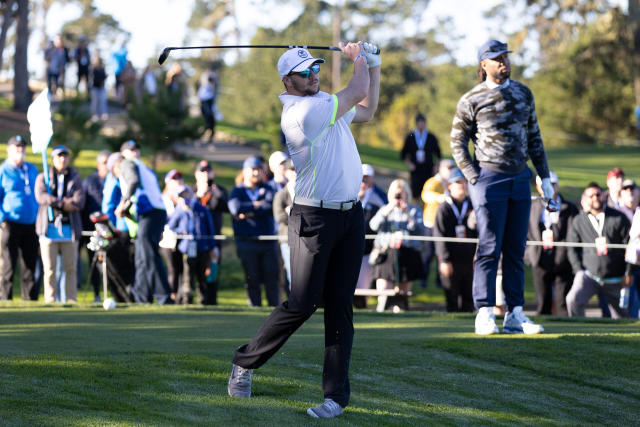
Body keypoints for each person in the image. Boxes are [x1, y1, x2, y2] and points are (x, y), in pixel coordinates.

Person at [227, 43, 381, 420]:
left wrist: (374, 64)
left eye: (315, 69)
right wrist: (360, 56)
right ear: (287, 81)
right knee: (303, 301)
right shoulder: (301, 113)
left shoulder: (324, 102)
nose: (313, 76)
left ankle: (335, 398)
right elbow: (357, 90)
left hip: (349, 216)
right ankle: (244, 363)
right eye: (305, 73)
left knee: (341, 307)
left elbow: (368, 109)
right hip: (314, 218)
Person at [450, 39, 551, 335]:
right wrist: (473, 176)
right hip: (488, 179)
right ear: (484, 64)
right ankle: (484, 311)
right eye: (497, 58)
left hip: (520, 177)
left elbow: (535, 138)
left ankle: (515, 314)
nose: (503, 62)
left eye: (505, 57)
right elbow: (457, 142)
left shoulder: (523, 93)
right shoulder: (472, 99)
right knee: (489, 247)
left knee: (516, 248)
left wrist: (544, 177)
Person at [114, 140, 173, 305]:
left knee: (148, 255)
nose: (135, 152)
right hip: (154, 213)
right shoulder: (145, 168)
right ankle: (141, 298)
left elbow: (132, 182)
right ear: (123, 151)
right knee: (141, 256)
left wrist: (122, 203)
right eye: (131, 149)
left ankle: (164, 297)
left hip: (151, 213)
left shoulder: (127, 163)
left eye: (136, 149)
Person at [566, 183, 632, 318]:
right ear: (585, 199)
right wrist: (579, 271)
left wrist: (628, 272)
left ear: (603, 195)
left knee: (624, 316)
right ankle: (580, 334)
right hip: (590, 276)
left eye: (598, 194)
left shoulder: (618, 217)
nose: (595, 198)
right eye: (591, 195)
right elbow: (571, 248)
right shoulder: (579, 220)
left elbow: (630, 246)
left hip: (616, 279)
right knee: (573, 300)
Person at [35, 145, 85, 303]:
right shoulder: (44, 177)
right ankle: (50, 299)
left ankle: (71, 299)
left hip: (69, 229)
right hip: (48, 229)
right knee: (50, 269)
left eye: (65, 156)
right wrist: (63, 203)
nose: (62, 159)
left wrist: (57, 203)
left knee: (70, 268)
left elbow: (78, 202)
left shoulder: (75, 178)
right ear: (53, 159)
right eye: (59, 156)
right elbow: (41, 197)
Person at [524, 172, 578, 315]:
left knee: (562, 302)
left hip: (563, 261)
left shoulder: (570, 208)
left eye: (552, 185)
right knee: (543, 301)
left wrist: (567, 255)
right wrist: (529, 255)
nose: (550, 188)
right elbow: (526, 233)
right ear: (538, 187)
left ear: (557, 186)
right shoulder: (532, 207)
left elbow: (574, 234)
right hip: (540, 259)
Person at [228, 156, 280, 307]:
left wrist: (248, 210)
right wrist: (257, 205)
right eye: (253, 170)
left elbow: (269, 206)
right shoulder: (237, 191)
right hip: (246, 242)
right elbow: (235, 208)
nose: (256, 173)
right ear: (245, 171)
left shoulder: (268, 188)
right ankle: (254, 309)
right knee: (252, 279)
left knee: (272, 278)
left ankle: (274, 310)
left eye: (259, 170)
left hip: (268, 242)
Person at [369, 179, 425, 312]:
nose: (399, 197)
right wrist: (387, 210)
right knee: (383, 289)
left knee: (402, 293)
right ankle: (381, 313)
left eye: (402, 194)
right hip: (386, 253)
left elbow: (421, 230)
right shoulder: (385, 209)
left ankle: (400, 316)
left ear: (407, 194)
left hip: (407, 253)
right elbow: (373, 226)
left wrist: (408, 215)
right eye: (396, 194)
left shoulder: (413, 210)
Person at [0, 136, 40, 301]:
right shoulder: (3, 170)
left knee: (30, 265)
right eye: (16, 148)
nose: (20, 151)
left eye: (22, 148)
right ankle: (5, 299)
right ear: (9, 150)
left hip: (31, 222)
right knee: (8, 264)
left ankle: (29, 300)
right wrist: (2, 219)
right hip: (10, 222)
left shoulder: (31, 169)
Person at [434, 168, 477, 312]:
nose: (462, 185)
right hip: (451, 259)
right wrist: (444, 260)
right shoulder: (444, 208)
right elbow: (439, 235)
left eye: (464, 182)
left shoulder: (472, 205)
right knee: (451, 297)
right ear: (449, 186)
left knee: (468, 297)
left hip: (469, 258)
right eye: (458, 182)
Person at [168, 185, 216, 304]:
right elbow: (171, 226)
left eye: (186, 195)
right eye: (182, 196)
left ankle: (203, 301)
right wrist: (181, 232)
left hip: (203, 248)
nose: (185, 198)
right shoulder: (179, 210)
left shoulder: (201, 209)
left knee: (202, 276)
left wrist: (212, 247)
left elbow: (210, 229)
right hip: (187, 249)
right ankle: (186, 301)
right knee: (187, 277)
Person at [100, 152, 134, 302]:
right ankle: (123, 297)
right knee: (120, 268)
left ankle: (127, 296)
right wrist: (112, 229)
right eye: (118, 165)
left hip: (128, 229)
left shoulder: (121, 179)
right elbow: (108, 208)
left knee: (128, 266)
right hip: (119, 230)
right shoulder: (114, 181)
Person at [194, 160, 228, 304]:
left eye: (208, 171)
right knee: (198, 271)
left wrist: (215, 192)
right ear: (197, 174)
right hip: (197, 239)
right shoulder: (192, 191)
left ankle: (212, 301)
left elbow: (226, 207)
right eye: (202, 171)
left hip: (214, 240)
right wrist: (198, 195)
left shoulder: (219, 190)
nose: (206, 174)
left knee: (213, 270)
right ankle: (200, 299)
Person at [354, 164, 387, 308]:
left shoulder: (379, 197)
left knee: (362, 286)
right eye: (361, 178)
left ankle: (361, 310)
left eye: (366, 179)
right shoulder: (347, 193)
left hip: (368, 249)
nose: (363, 182)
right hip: (348, 247)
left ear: (372, 179)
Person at [419, 158, 454, 289]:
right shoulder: (433, 181)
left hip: (445, 223)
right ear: (441, 169)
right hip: (431, 223)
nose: (450, 171)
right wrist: (440, 198)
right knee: (428, 253)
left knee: (442, 253)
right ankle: (423, 279)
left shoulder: (450, 183)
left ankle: (440, 280)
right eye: (448, 168)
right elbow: (426, 195)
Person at [81, 150, 110, 302]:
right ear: (99, 164)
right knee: (95, 261)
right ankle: (97, 293)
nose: (108, 166)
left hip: (111, 229)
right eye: (105, 162)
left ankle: (117, 294)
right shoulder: (89, 182)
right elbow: (84, 207)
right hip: (92, 230)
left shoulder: (115, 180)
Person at [401, 112, 441, 204]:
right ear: (416, 123)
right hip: (416, 170)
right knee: (415, 194)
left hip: (428, 170)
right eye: (419, 122)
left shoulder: (431, 137)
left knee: (428, 192)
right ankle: (415, 210)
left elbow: (438, 154)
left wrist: (436, 167)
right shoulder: (410, 137)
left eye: (423, 122)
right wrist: (410, 164)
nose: (421, 124)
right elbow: (403, 154)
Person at [159, 169, 184, 301]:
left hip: (181, 238)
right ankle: (170, 295)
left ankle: (180, 297)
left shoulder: (184, 198)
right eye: (175, 179)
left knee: (181, 269)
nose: (178, 181)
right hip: (167, 239)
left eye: (179, 178)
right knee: (172, 269)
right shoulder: (162, 199)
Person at [273, 160, 297, 291]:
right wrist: (297, 216)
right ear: (286, 172)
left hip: (304, 238)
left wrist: (291, 212)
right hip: (287, 239)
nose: (295, 173)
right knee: (292, 273)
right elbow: (279, 216)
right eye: (292, 170)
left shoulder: (307, 193)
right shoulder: (281, 194)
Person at [198, 69, 218, 142]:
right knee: (207, 122)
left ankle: (210, 137)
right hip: (207, 111)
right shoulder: (205, 89)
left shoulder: (210, 89)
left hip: (209, 110)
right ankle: (205, 137)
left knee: (211, 124)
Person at [90, 56, 108, 122]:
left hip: (102, 88)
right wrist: (99, 81)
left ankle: (103, 114)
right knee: (95, 102)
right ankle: (94, 115)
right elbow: (93, 78)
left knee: (103, 101)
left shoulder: (103, 69)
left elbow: (104, 77)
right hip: (95, 87)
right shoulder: (94, 69)